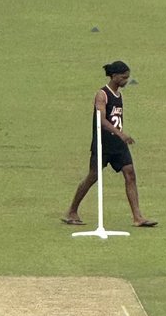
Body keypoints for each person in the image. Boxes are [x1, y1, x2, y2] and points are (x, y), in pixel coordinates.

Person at [62, 60, 157, 227]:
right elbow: (101, 119)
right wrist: (120, 134)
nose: (126, 80)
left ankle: (138, 217)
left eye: (128, 77)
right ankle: (72, 211)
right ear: (114, 76)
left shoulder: (119, 95)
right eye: (124, 77)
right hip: (103, 143)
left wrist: (120, 137)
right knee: (93, 177)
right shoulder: (102, 94)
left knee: (130, 174)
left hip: (118, 144)